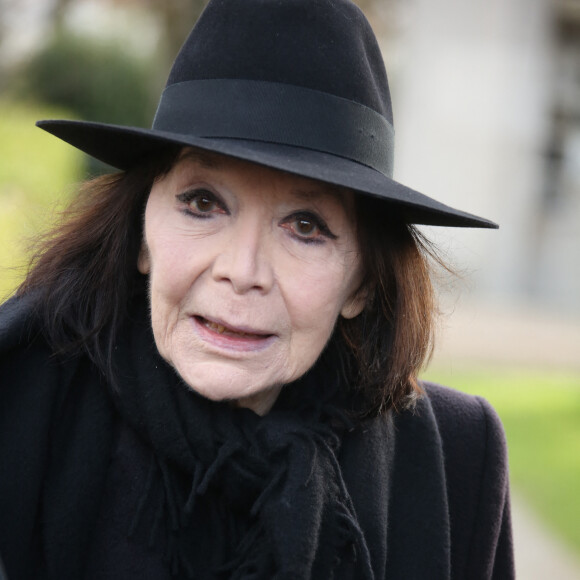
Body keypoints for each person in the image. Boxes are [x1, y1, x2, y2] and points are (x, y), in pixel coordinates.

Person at [0, 0, 514, 578]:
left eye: (305, 226)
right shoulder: (19, 396)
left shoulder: (458, 459)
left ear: (362, 284)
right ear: (141, 238)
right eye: (202, 203)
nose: (242, 271)